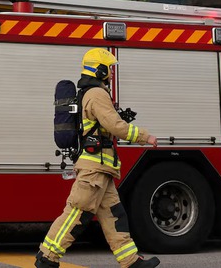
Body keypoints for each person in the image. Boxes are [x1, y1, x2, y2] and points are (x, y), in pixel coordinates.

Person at [35, 48, 161, 268]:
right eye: (109, 68)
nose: (111, 72)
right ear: (99, 69)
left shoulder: (91, 93)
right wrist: (145, 136)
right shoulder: (96, 93)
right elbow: (115, 126)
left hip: (101, 168)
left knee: (114, 217)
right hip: (95, 168)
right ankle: (47, 257)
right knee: (77, 213)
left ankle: (131, 261)